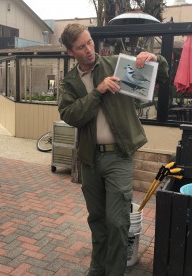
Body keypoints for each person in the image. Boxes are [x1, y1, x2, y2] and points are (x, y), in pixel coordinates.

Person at [58, 23, 169, 276]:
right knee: (97, 220)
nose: (88, 49)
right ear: (69, 52)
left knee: (117, 222)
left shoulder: (116, 64)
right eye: (80, 47)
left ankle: (114, 271)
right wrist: (98, 91)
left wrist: (154, 58)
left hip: (119, 156)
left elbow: (160, 73)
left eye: (89, 42)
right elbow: (70, 115)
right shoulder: (70, 82)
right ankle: (97, 268)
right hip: (90, 159)